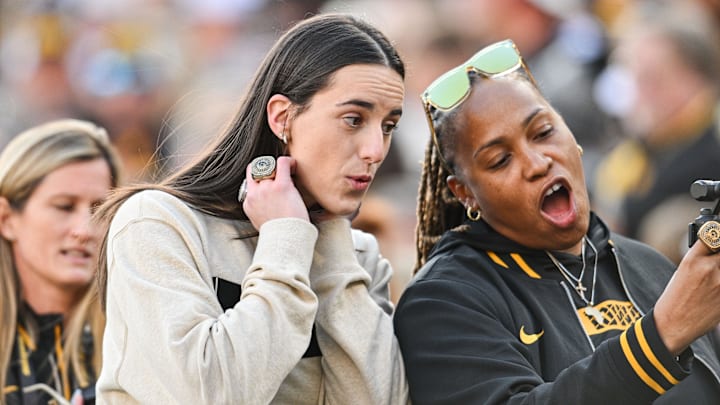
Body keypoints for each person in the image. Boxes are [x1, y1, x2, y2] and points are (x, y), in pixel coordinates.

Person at [93, 13, 409, 404]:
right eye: (353, 119)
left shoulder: (359, 257)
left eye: (388, 126)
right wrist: (285, 240)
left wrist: (330, 244)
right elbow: (207, 394)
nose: (375, 150)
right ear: (282, 117)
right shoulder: (157, 223)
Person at [393, 39, 720, 404]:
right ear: (465, 193)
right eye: (500, 160)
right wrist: (662, 335)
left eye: (544, 133)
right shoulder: (443, 300)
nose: (537, 163)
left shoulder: (648, 266)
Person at [0, 119, 122, 404]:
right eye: (64, 207)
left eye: (98, 209)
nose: (84, 229)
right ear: (6, 219)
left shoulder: (135, 333)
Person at [592, 0, 720, 263]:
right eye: (632, 77)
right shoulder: (635, 153)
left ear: (692, 78)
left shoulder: (709, 147)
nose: (636, 95)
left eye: (650, 78)